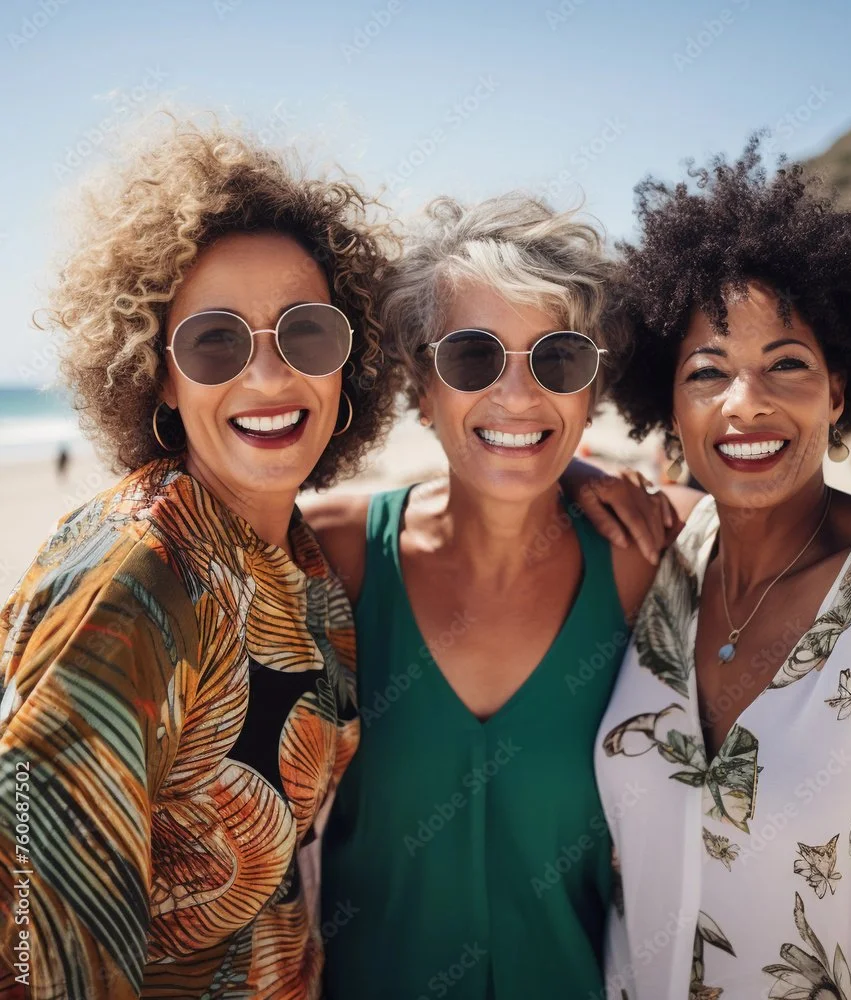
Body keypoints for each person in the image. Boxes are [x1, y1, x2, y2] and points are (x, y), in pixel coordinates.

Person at [0, 121, 397, 998]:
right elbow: (30, 922)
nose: (268, 377)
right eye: (216, 341)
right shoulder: (133, 576)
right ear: (160, 377)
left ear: (349, 364)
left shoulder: (298, 558)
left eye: (308, 334)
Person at [596, 140, 851, 998]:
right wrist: (572, 469)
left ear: (839, 390)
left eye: (788, 363)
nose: (748, 402)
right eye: (707, 371)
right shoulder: (655, 553)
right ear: (665, 401)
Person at [310, 195, 678, 1000]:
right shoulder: (331, 553)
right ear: (421, 379)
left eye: (558, 360)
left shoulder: (644, 553)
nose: (517, 395)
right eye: (475, 358)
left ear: (592, 387)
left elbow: (811, 556)